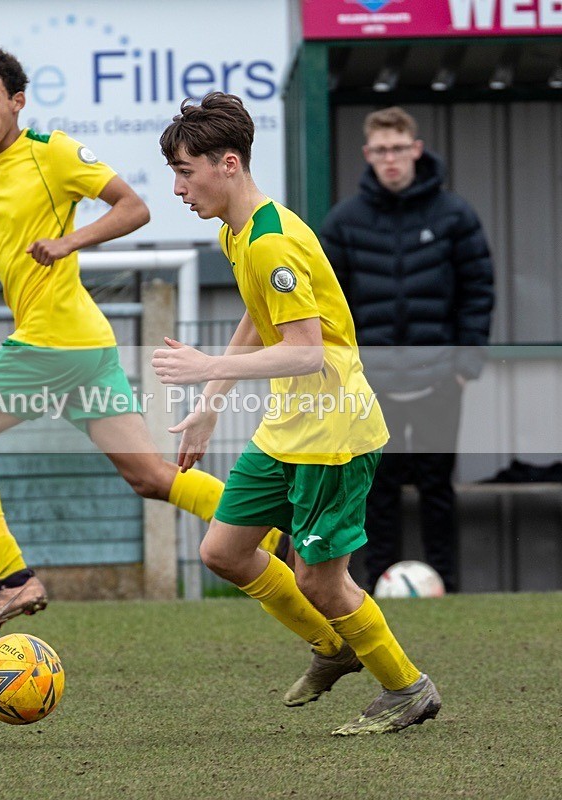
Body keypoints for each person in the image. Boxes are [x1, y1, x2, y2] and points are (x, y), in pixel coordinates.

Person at [0, 49, 292, 636]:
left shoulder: (52, 152)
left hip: (53, 340)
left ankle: (15, 581)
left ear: (17, 100)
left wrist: (72, 242)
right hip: (82, 344)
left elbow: (133, 207)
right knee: (148, 476)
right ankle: (269, 531)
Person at [154, 92, 440, 735]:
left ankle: (407, 687)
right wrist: (208, 406)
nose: (178, 187)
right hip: (289, 428)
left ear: (228, 164)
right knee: (224, 551)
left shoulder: (273, 243)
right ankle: (334, 647)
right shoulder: (239, 230)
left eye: (185, 170)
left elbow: (307, 354)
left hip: (333, 433)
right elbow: (260, 317)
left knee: (319, 578)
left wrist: (206, 367)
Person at [320, 107, 494, 594]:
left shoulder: (453, 215)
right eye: (381, 150)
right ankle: (378, 588)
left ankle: (448, 587)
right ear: (367, 155)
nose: (390, 159)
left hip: (440, 379)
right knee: (377, 489)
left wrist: (465, 365)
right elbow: (327, 301)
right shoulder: (345, 221)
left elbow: (478, 289)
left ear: (416, 149)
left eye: (398, 148)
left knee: (437, 487)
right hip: (373, 386)